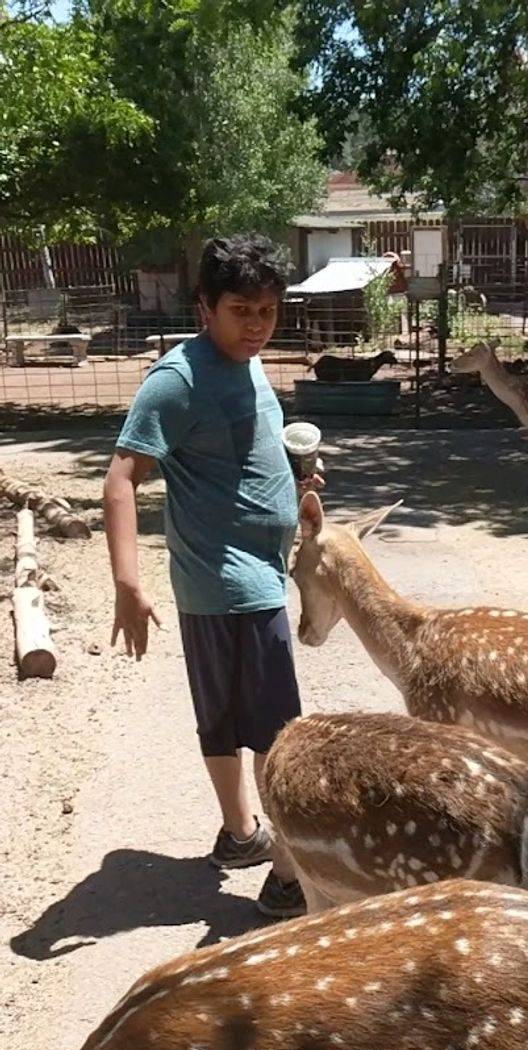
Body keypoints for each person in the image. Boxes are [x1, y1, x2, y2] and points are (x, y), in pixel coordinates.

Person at [103, 233, 323, 920]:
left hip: (239, 582)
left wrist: (295, 486)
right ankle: (289, 875)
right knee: (277, 733)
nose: (257, 325)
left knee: (226, 721)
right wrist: (126, 583)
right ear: (205, 307)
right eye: (241, 310)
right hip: (231, 588)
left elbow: (244, 456)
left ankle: (241, 835)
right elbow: (119, 478)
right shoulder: (177, 379)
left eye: (267, 310)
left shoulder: (249, 362)